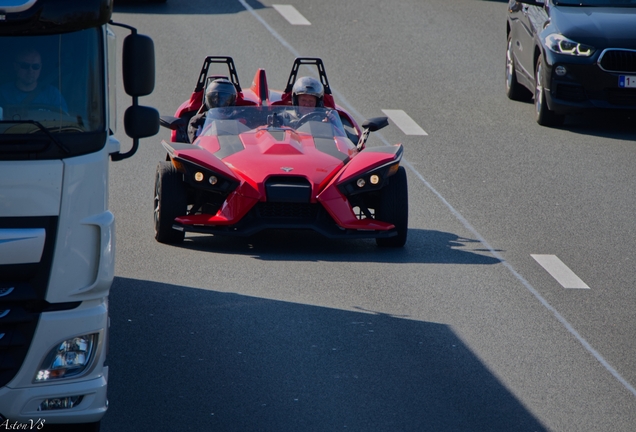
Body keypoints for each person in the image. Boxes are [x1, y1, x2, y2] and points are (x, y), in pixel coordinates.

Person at [0, 47, 68, 112]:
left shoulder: (53, 94)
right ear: (15, 66)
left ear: (40, 67)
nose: (30, 70)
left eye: (35, 66)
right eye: (25, 66)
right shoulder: (3, 94)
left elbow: (64, 120)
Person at [187, 78, 238, 143]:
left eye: (225, 99)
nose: (220, 103)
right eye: (215, 99)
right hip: (207, 151)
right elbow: (195, 145)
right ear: (209, 99)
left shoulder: (239, 119)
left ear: (232, 100)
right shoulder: (197, 121)